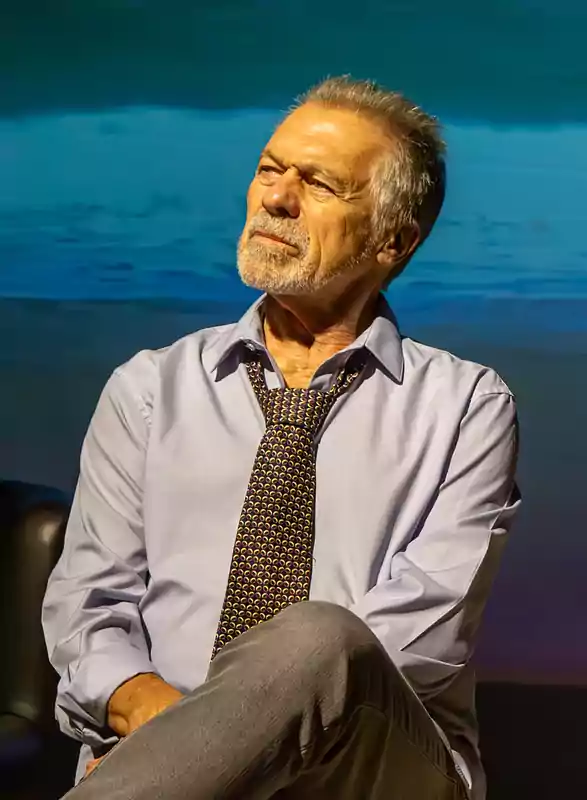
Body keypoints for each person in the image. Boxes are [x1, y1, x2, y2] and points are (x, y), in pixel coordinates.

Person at [41, 76, 520, 800]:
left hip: (368, 765)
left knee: (319, 638)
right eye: (270, 169)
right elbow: (87, 607)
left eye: (319, 184)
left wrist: (229, 747)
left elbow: (423, 639)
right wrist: (174, 734)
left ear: (394, 239)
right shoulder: (148, 389)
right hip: (153, 747)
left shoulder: (465, 407)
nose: (276, 198)